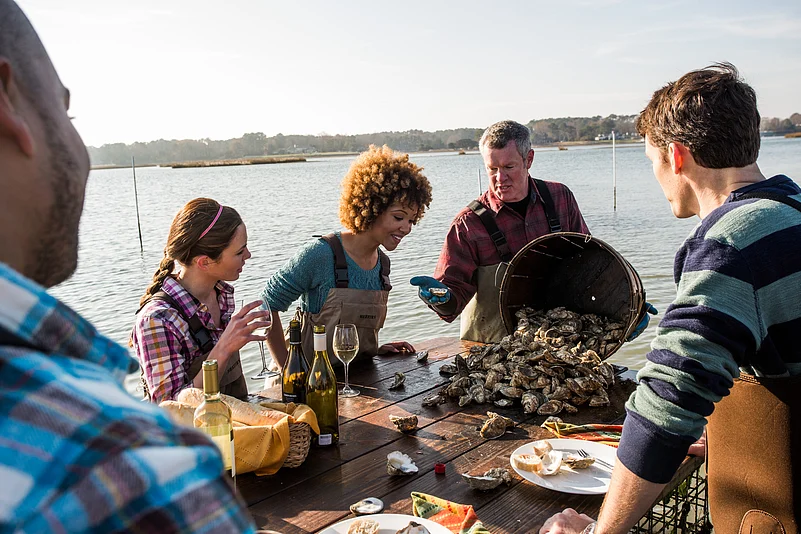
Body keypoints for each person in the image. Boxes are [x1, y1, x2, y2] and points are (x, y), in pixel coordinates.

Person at [0, 1, 257, 532]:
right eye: (65, 113)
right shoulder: (135, 472)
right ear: (7, 101)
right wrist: (226, 346)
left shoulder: (224, 296)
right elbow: (167, 404)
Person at [541, 63, 801, 534]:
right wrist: (730, 431)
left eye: (652, 162)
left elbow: (665, 405)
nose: (657, 177)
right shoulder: (790, 214)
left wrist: (602, 533)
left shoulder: (731, 243)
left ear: (676, 157)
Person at [410, 120, 592, 343]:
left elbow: (589, 262)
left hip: (560, 346)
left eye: (508, 167)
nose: (500, 178)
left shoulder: (560, 198)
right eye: (492, 169)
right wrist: (440, 298)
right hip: (491, 354)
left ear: (529, 159)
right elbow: (451, 300)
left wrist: (626, 302)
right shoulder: (468, 224)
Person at [262, 145, 432, 367]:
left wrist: (375, 351)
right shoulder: (320, 255)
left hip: (355, 387)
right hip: (305, 388)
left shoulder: (383, 265)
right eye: (399, 217)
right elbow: (267, 302)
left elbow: (349, 335)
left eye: (411, 220)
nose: (406, 228)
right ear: (371, 206)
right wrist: (287, 368)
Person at [131, 198, 270, 403]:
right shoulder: (157, 320)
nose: (248, 255)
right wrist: (224, 348)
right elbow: (170, 408)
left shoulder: (221, 296)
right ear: (204, 262)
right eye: (240, 251)